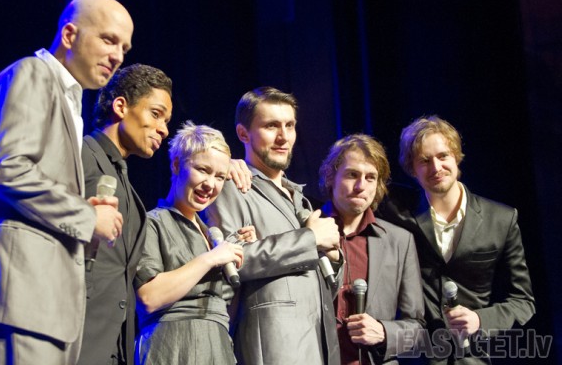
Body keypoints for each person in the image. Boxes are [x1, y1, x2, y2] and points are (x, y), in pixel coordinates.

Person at [0, 0, 131, 364]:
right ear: (69, 35)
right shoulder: (33, 74)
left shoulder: (68, 97)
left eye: (124, 48)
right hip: (18, 299)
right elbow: (9, 170)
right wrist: (87, 216)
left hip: (43, 306)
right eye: (108, 40)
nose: (117, 56)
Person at [377, 115, 535, 364]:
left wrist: (480, 320)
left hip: (472, 357)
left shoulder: (501, 219)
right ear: (412, 168)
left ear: (456, 157)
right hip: (416, 356)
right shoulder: (397, 210)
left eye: (443, 156)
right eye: (425, 161)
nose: (436, 167)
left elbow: (523, 301)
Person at [205, 86, 342, 365]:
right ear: (243, 133)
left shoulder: (299, 198)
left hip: (318, 346)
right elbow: (230, 263)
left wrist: (334, 258)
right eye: (271, 126)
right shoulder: (231, 186)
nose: (283, 137)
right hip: (274, 348)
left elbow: (319, 286)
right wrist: (310, 239)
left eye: (289, 125)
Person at [78, 63, 173, 365]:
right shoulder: (80, 155)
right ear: (121, 106)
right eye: (156, 114)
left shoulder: (126, 184)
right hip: (76, 337)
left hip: (114, 344)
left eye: (166, 121)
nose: (164, 129)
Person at [134, 121, 249, 364]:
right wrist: (209, 259)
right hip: (173, 347)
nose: (211, 184)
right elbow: (148, 298)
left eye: (220, 176)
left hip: (218, 347)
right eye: (203, 170)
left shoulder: (211, 235)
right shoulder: (151, 223)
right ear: (176, 164)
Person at [318, 134, 424, 364]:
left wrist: (384, 332)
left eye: (370, 178)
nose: (360, 186)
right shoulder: (305, 230)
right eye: (352, 175)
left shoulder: (399, 241)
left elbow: (418, 330)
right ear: (330, 177)